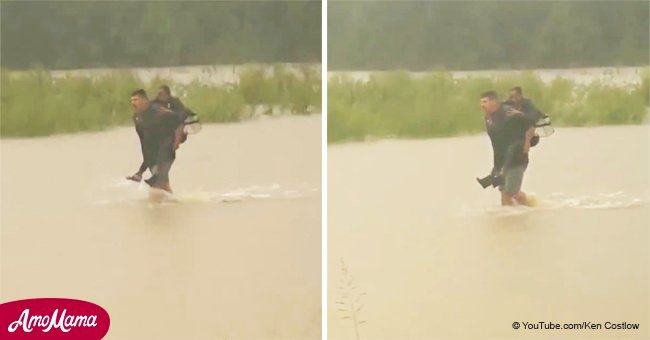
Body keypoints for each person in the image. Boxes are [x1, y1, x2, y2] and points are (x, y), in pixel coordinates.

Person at [479, 91, 535, 206]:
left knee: (512, 192)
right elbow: (496, 142)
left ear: (494, 102)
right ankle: (508, 219)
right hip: (502, 160)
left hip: (517, 156)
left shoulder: (509, 111)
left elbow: (531, 123)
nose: (482, 105)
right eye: (481, 102)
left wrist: (527, 142)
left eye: (485, 102)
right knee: (504, 194)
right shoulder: (488, 118)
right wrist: (496, 167)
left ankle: (533, 208)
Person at [126, 89, 185, 193]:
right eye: (132, 100)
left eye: (136, 100)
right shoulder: (137, 117)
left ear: (144, 100)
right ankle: (172, 204)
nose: (133, 103)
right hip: (152, 156)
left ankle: (165, 206)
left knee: (159, 183)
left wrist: (176, 142)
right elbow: (144, 143)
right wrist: (141, 171)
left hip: (166, 152)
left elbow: (180, 121)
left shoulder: (158, 111)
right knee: (161, 185)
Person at [153, 85, 200, 150]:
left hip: (181, 126)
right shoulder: (155, 102)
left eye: (161, 94)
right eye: (158, 94)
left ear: (167, 95)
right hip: (166, 129)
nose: (159, 96)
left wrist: (169, 112)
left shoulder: (175, 101)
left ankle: (174, 147)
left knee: (180, 124)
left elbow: (183, 113)